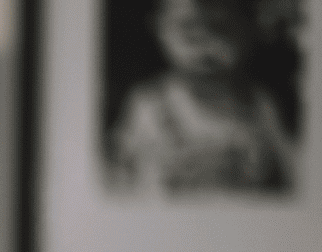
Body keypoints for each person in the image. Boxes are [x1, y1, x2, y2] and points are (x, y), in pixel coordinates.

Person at [108, 0, 297, 196]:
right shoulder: (149, 104)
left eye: (221, 29)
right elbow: (127, 179)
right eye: (189, 31)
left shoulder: (259, 104)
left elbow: (294, 179)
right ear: (160, 28)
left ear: (249, 29)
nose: (206, 45)